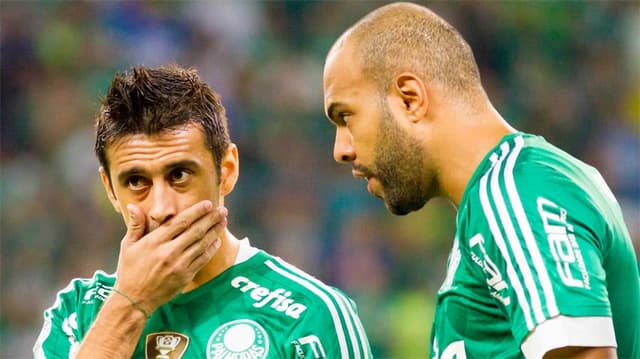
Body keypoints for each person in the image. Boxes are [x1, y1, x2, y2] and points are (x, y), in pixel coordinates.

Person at [322, 2, 639, 359]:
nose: (341, 149)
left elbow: (585, 355)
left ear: (409, 99)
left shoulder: (517, 192)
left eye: (346, 116)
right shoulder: (502, 199)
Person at [33, 65, 371, 359]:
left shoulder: (310, 316)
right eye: (136, 181)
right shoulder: (78, 312)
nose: (162, 208)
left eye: (179, 175)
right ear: (110, 190)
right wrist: (131, 302)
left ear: (228, 169)